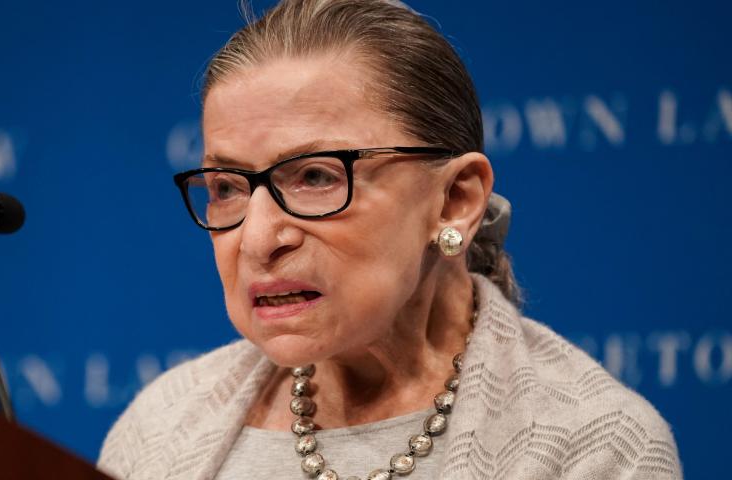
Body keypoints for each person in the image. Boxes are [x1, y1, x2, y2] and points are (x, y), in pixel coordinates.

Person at [98, 1, 682, 479]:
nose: (256, 241)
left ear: (456, 200)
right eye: (227, 186)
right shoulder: (160, 426)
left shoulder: (597, 450)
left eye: (316, 176)